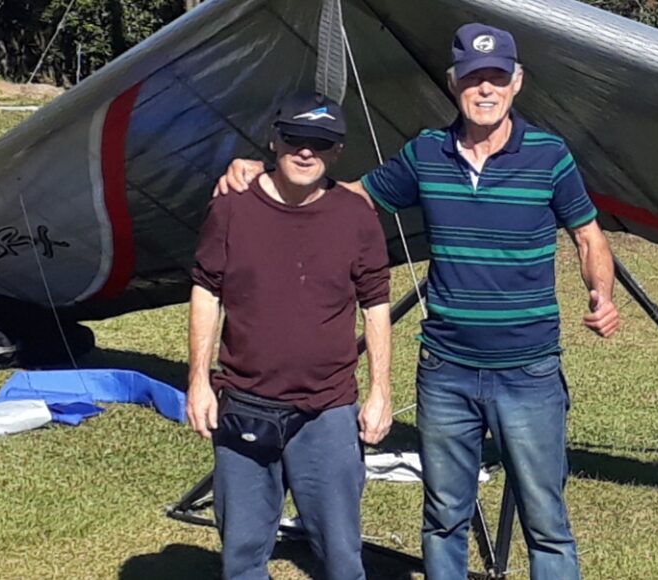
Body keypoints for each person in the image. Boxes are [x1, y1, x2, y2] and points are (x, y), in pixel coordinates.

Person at [213, 24, 620, 580]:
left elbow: (589, 236)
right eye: (473, 78)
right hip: (446, 372)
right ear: (453, 84)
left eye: (496, 77)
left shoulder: (550, 156)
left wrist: (601, 291)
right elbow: (351, 197)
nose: (485, 89)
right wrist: (267, 171)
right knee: (445, 516)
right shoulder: (426, 152)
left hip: (528, 372)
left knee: (546, 520)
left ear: (517, 82)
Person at [187, 92, 393, 580]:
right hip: (245, 403)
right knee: (242, 555)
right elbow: (206, 291)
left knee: (341, 555)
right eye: (295, 138)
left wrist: (381, 391)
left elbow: (376, 304)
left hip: (328, 410)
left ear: (336, 152)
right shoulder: (231, 207)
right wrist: (198, 381)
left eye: (319, 143)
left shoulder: (356, 216)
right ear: (274, 140)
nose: (305, 151)